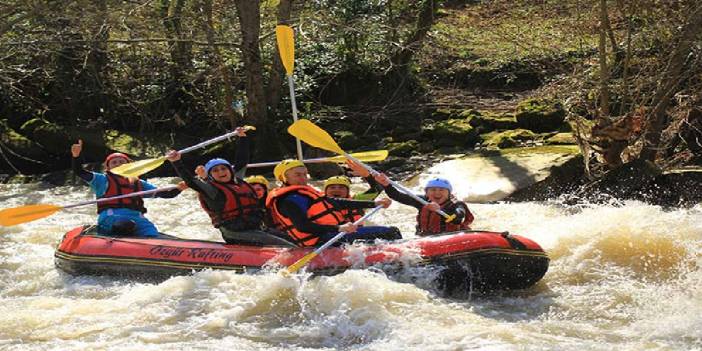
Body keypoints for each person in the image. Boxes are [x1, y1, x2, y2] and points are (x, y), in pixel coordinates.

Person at [166, 127, 278, 245]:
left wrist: (242, 138)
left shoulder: (238, 181)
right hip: (234, 232)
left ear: (230, 170)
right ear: (211, 176)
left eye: (223, 168)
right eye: (215, 171)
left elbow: (242, 160)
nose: (220, 172)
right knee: (284, 245)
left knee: (289, 238)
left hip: (255, 227)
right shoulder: (212, 190)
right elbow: (190, 181)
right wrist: (176, 162)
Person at [265, 159, 402, 247]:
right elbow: (303, 227)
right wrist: (338, 228)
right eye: (297, 175)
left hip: (329, 235)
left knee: (381, 234)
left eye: (305, 174)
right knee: (391, 232)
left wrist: (374, 203)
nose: (303, 178)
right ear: (284, 177)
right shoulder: (289, 199)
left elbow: (338, 202)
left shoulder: (304, 194)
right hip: (321, 240)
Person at [71, 139, 186, 237]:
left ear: (130, 165)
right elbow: (80, 172)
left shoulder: (139, 183)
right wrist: (76, 156)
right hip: (111, 218)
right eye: (114, 162)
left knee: (151, 232)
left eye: (122, 162)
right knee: (124, 225)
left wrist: (179, 188)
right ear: (108, 168)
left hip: (138, 218)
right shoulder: (102, 180)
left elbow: (166, 194)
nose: (118, 164)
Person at [373, 173, 474, 236]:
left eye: (441, 190)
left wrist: (440, 211)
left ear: (449, 194)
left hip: (451, 238)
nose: (437, 193)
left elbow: (458, 218)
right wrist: (386, 185)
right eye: (433, 190)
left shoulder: (457, 205)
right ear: (426, 193)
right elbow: (397, 196)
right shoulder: (422, 201)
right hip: (426, 238)